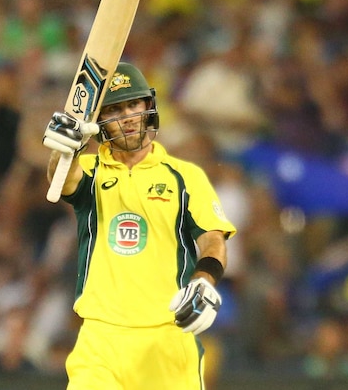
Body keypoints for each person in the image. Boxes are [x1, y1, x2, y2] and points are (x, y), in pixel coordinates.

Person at [42, 62, 237, 389]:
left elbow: (213, 239)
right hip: (100, 339)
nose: (128, 117)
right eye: (115, 109)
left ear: (148, 106)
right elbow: (61, 179)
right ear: (101, 119)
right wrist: (63, 151)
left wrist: (204, 281)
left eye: (133, 104)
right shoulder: (91, 170)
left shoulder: (184, 176)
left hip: (167, 337)